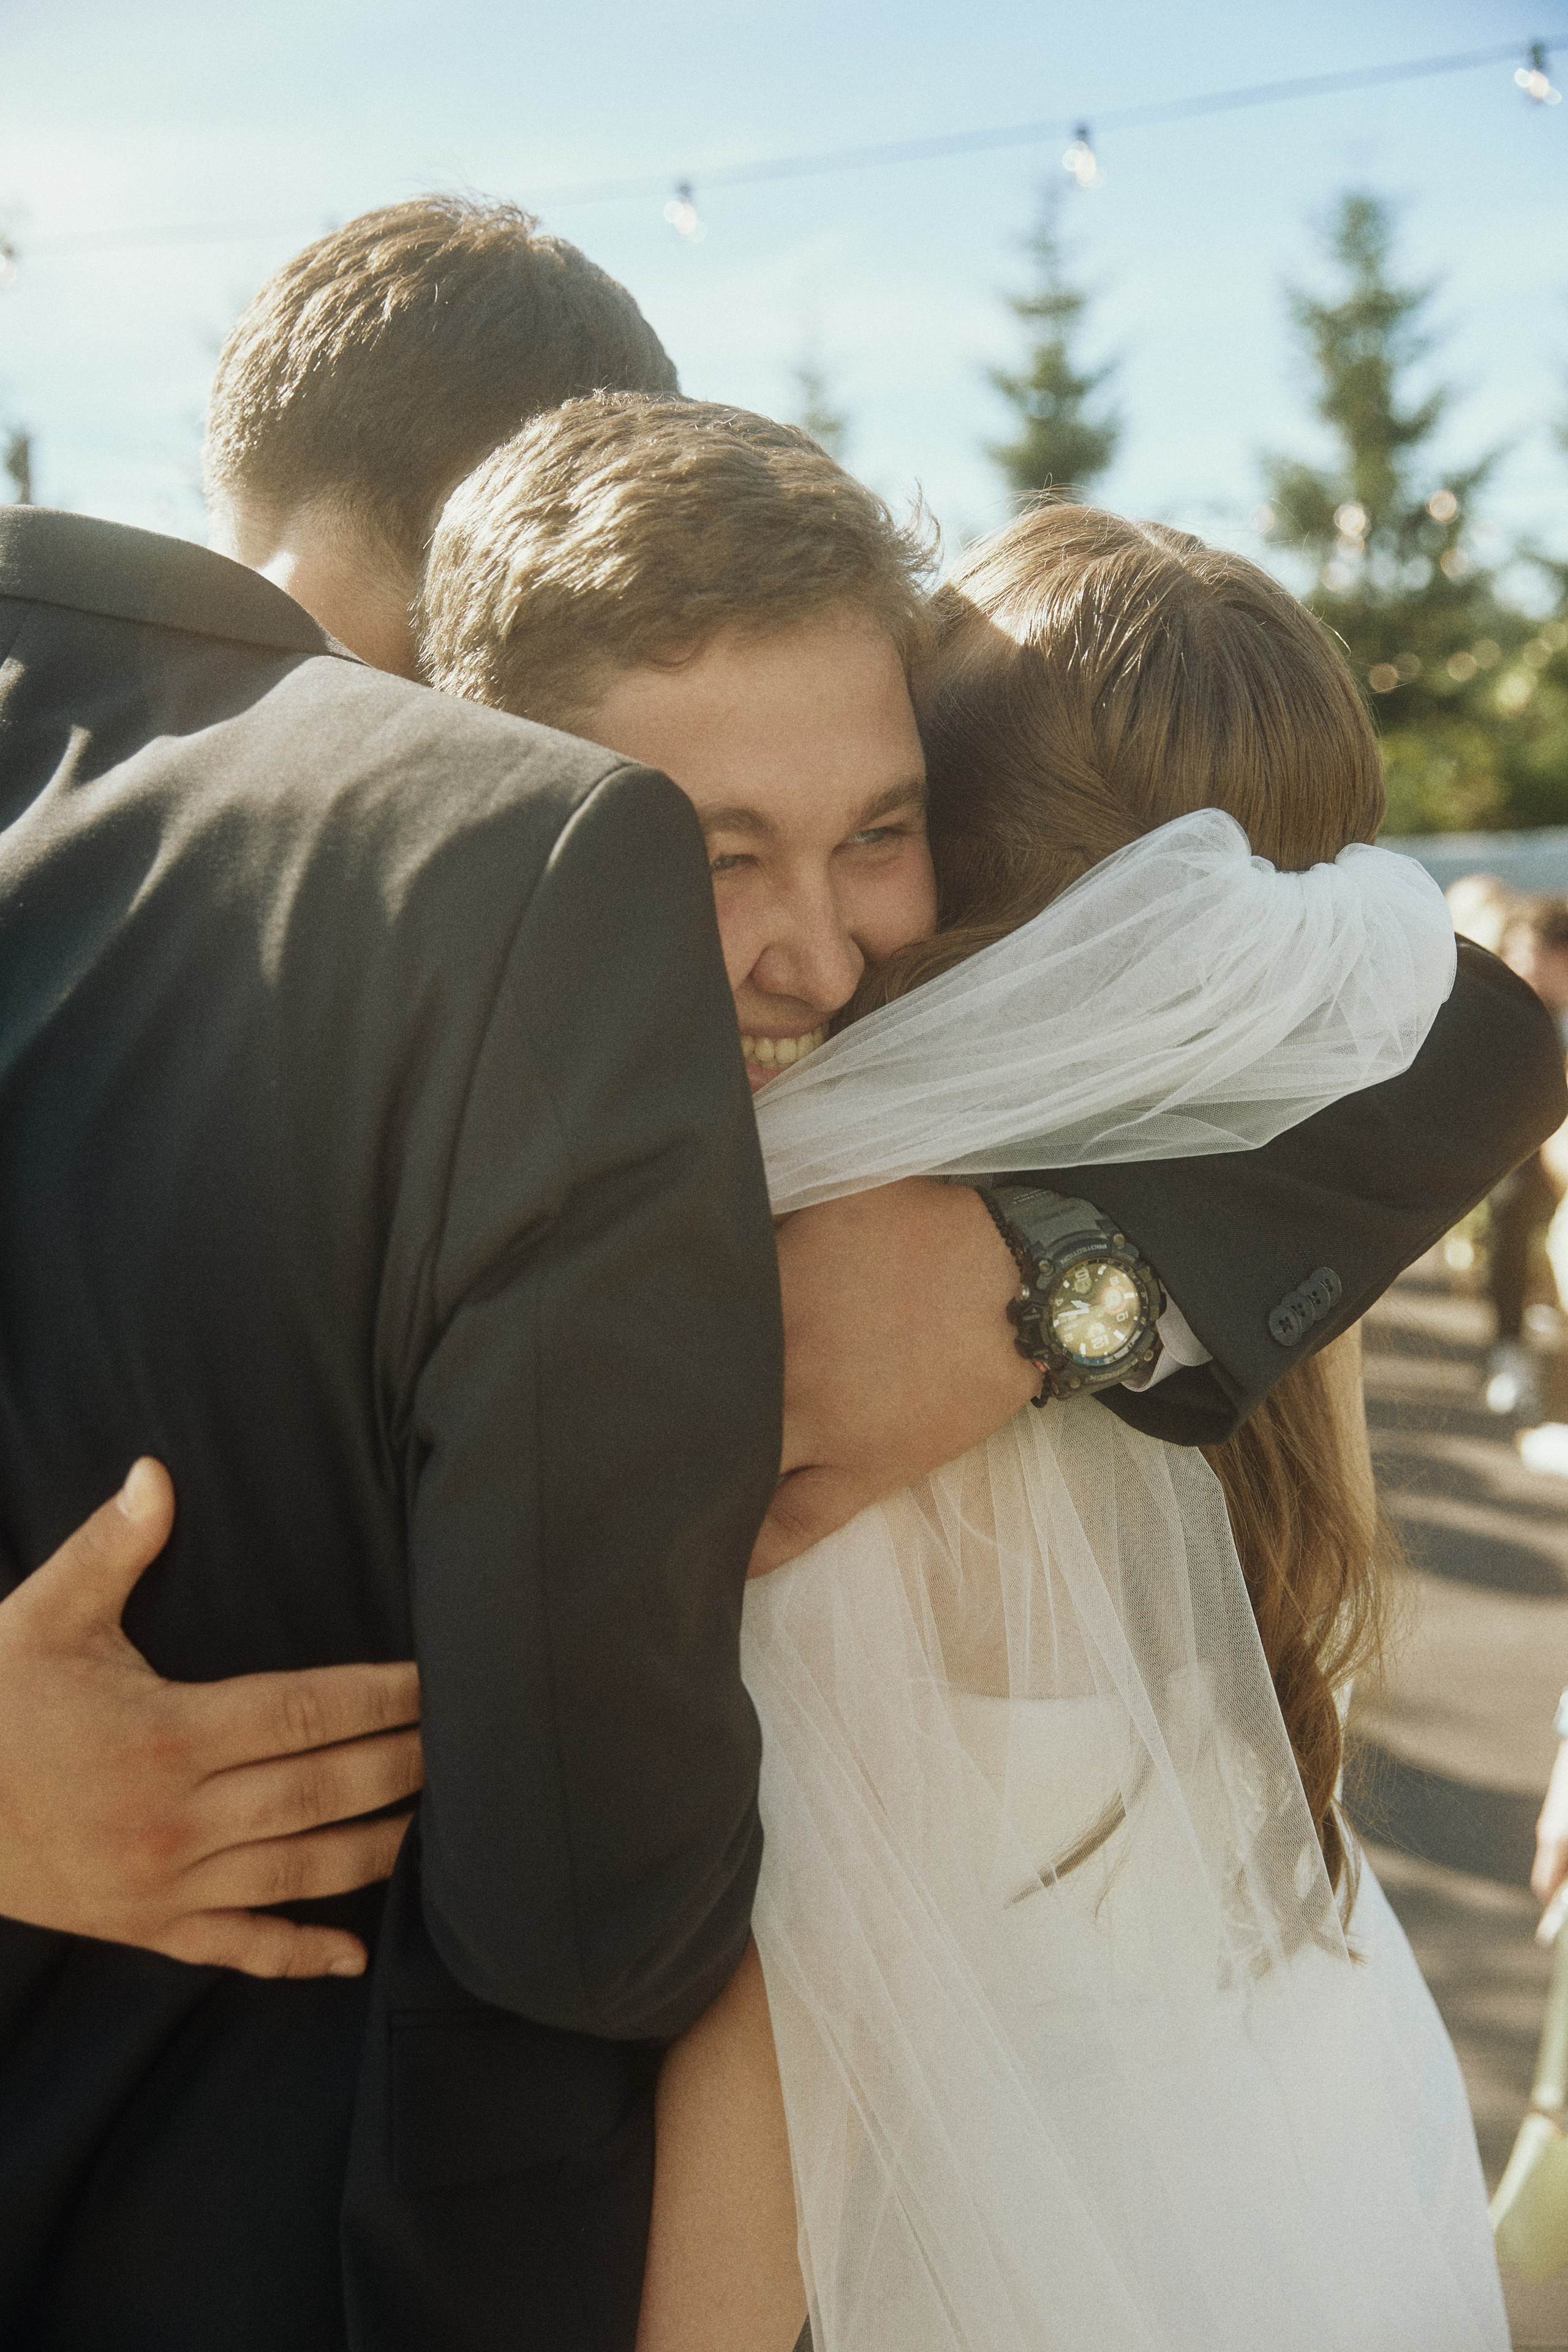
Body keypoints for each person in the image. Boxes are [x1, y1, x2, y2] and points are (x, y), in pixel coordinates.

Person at [5, 388, 1562, 2346]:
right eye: (704, 849)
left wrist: (1036, 1270)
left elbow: (715, 2006)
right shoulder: (411, 1153)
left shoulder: (872, 1275)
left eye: (881, 830)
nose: (819, 953)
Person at [1485, 897, 1568, 1420]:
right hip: (1529, 1145)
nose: (1519, 965)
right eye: (1513, 951)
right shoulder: (1513, 1009)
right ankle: (1509, 1347)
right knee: (1512, 1205)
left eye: (1530, 952)